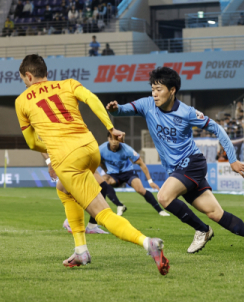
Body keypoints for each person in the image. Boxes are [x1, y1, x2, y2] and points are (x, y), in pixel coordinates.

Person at [15, 54, 169, 274]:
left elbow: (31, 142)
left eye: (24, 79)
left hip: (67, 158)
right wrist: (110, 128)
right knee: (63, 189)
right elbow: (92, 99)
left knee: (102, 214)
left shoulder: (22, 100)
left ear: (28, 76)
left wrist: (50, 153)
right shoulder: (67, 84)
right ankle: (80, 250)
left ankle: (147, 243)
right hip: (90, 148)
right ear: (45, 72)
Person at [106, 67, 244, 256]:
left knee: (163, 197)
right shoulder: (147, 105)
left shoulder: (187, 113)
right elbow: (122, 110)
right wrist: (115, 109)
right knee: (215, 213)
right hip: (177, 170)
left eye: (159, 89)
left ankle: (202, 230)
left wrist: (233, 160)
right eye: (152, 89)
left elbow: (218, 129)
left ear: (172, 90)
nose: (154, 94)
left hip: (192, 163)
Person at [41, 152, 123, 234]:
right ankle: (72, 221)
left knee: (102, 186)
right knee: (77, 190)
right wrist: (49, 163)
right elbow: (41, 147)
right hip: (70, 159)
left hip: (83, 156)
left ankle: (91, 226)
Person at [100, 132, 170, 217]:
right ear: (108, 139)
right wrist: (105, 169)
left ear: (119, 139)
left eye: (116, 139)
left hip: (128, 173)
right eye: (112, 139)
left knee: (140, 189)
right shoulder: (101, 149)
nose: (114, 142)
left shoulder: (127, 149)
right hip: (113, 175)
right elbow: (98, 160)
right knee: (103, 180)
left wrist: (150, 181)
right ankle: (120, 205)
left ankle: (160, 210)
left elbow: (141, 163)